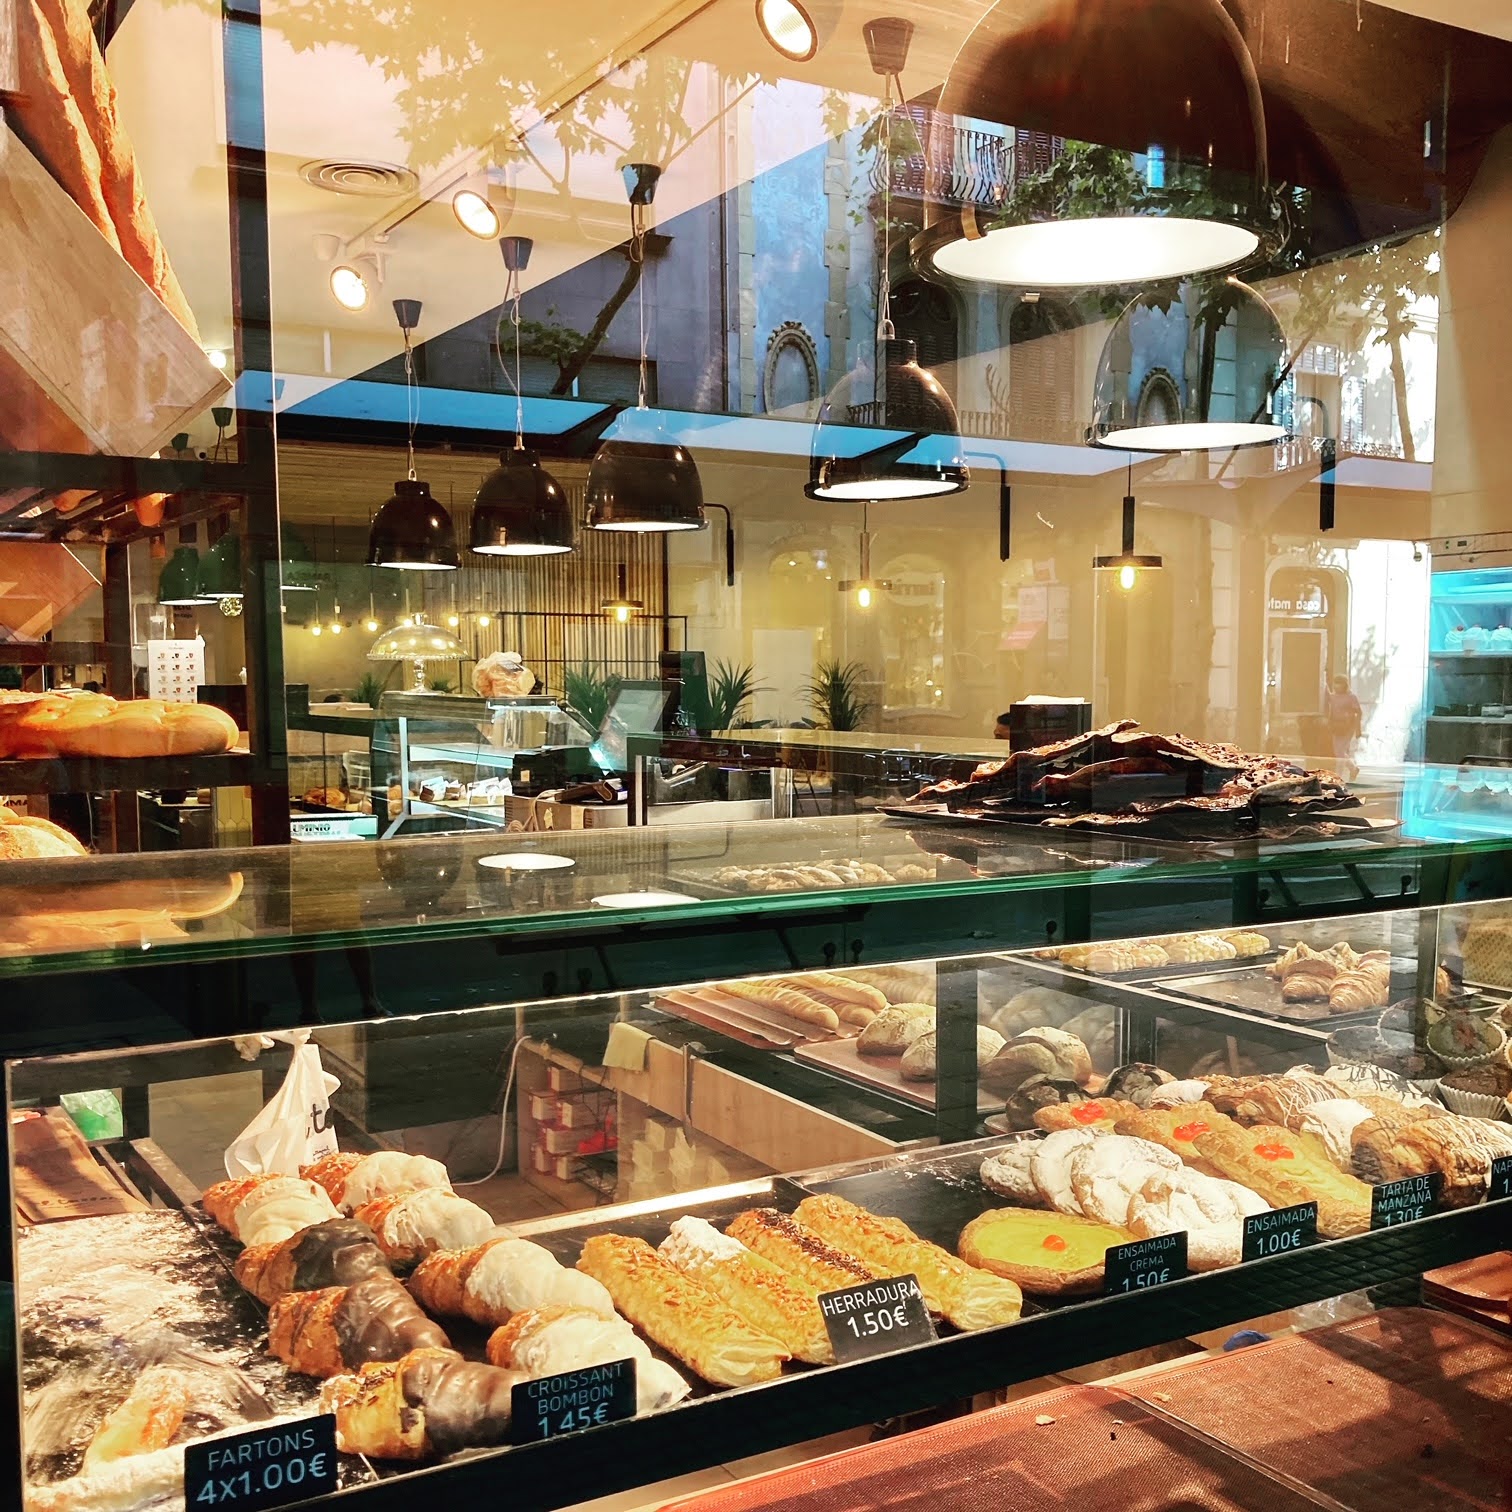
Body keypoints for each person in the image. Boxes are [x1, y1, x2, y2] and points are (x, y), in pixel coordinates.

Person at [1325, 674, 1363, 779]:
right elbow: (1326, 695)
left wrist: (1358, 729)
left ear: (1345, 685)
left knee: (1340, 752)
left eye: (1340, 684)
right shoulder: (1333, 696)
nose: (1337, 686)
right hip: (1336, 727)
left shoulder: (1351, 697)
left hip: (1348, 727)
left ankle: (1338, 776)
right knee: (1338, 752)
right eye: (1336, 684)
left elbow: (1358, 712)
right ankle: (1353, 768)